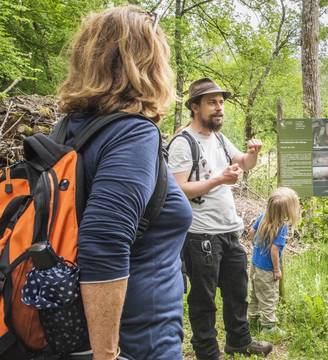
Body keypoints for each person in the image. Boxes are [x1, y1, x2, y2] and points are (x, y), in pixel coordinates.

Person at [56, 6, 192, 359]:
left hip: (72, 331)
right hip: (138, 340)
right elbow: (103, 242)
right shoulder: (132, 134)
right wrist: (106, 354)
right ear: (148, 62)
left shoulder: (69, 131)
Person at [168, 78, 271, 359]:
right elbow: (178, 190)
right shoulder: (182, 143)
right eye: (212, 102)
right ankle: (207, 351)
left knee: (237, 292)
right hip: (200, 234)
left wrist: (252, 154)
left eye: (221, 102)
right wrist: (218, 180)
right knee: (203, 299)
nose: (219, 108)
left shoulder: (219, 138)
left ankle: (239, 342)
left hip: (229, 230)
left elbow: (243, 164)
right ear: (194, 106)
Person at [248, 187, 300, 334]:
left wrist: (256, 247)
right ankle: (269, 327)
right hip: (267, 269)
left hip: (255, 264)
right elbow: (274, 250)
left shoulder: (263, 216)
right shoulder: (281, 227)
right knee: (269, 296)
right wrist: (277, 270)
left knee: (255, 293)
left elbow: (251, 232)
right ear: (287, 210)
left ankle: (252, 318)